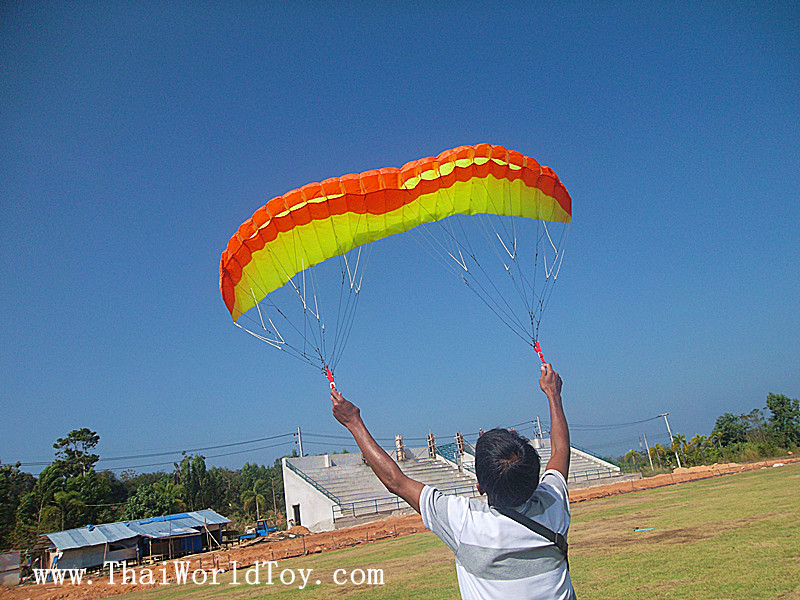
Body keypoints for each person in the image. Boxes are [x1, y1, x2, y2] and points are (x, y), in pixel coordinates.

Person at [331, 362, 575, 600]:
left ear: (479, 485)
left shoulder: (466, 523)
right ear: (535, 479)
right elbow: (560, 451)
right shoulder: (553, 506)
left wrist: (354, 422)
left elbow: (395, 481)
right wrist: (553, 394)